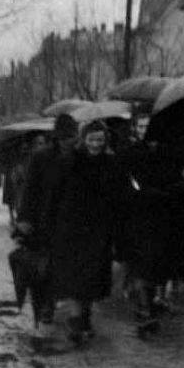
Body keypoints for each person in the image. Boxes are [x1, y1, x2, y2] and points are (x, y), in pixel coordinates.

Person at [28, 120, 132, 347]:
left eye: (100, 140)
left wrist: (118, 228)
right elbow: (54, 196)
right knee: (77, 278)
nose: (96, 144)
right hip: (71, 230)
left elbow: (121, 198)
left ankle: (84, 317)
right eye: (92, 139)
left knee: (92, 278)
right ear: (83, 140)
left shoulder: (112, 164)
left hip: (100, 231)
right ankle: (77, 321)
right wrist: (47, 226)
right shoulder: (69, 162)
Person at [120, 114, 184, 336]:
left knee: (157, 264)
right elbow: (125, 186)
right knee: (143, 263)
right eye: (141, 126)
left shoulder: (167, 153)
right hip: (138, 218)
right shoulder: (130, 154)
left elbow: (175, 182)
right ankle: (145, 309)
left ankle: (150, 303)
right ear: (135, 129)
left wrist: (178, 184)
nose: (145, 130)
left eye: (148, 126)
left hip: (163, 217)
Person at [14, 114, 81, 327]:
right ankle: (46, 305)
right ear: (57, 137)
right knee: (45, 267)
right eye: (64, 138)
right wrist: (24, 218)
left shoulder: (80, 157)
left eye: (71, 137)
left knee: (65, 266)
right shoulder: (41, 157)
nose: (67, 142)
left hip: (72, 221)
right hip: (45, 220)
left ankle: (63, 304)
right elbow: (30, 189)